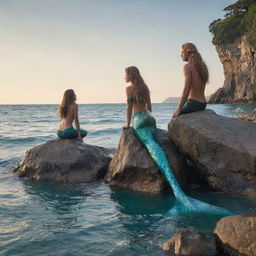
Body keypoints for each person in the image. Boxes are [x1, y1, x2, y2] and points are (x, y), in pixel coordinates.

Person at [123, 66, 231, 215]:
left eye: (125, 74)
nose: (124, 77)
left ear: (130, 75)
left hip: (138, 120)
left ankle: (178, 193)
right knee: (153, 142)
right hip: (149, 118)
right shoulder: (144, 87)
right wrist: (147, 116)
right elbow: (149, 106)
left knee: (151, 146)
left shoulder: (129, 89)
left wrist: (128, 125)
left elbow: (129, 108)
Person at [172, 43, 208, 118]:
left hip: (194, 103)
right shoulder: (203, 66)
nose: (180, 55)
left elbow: (186, 88)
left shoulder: (187, 67)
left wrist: (179, 108)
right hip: (203, 104)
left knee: (174, 117)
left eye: (182, 52)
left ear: (187, 52)